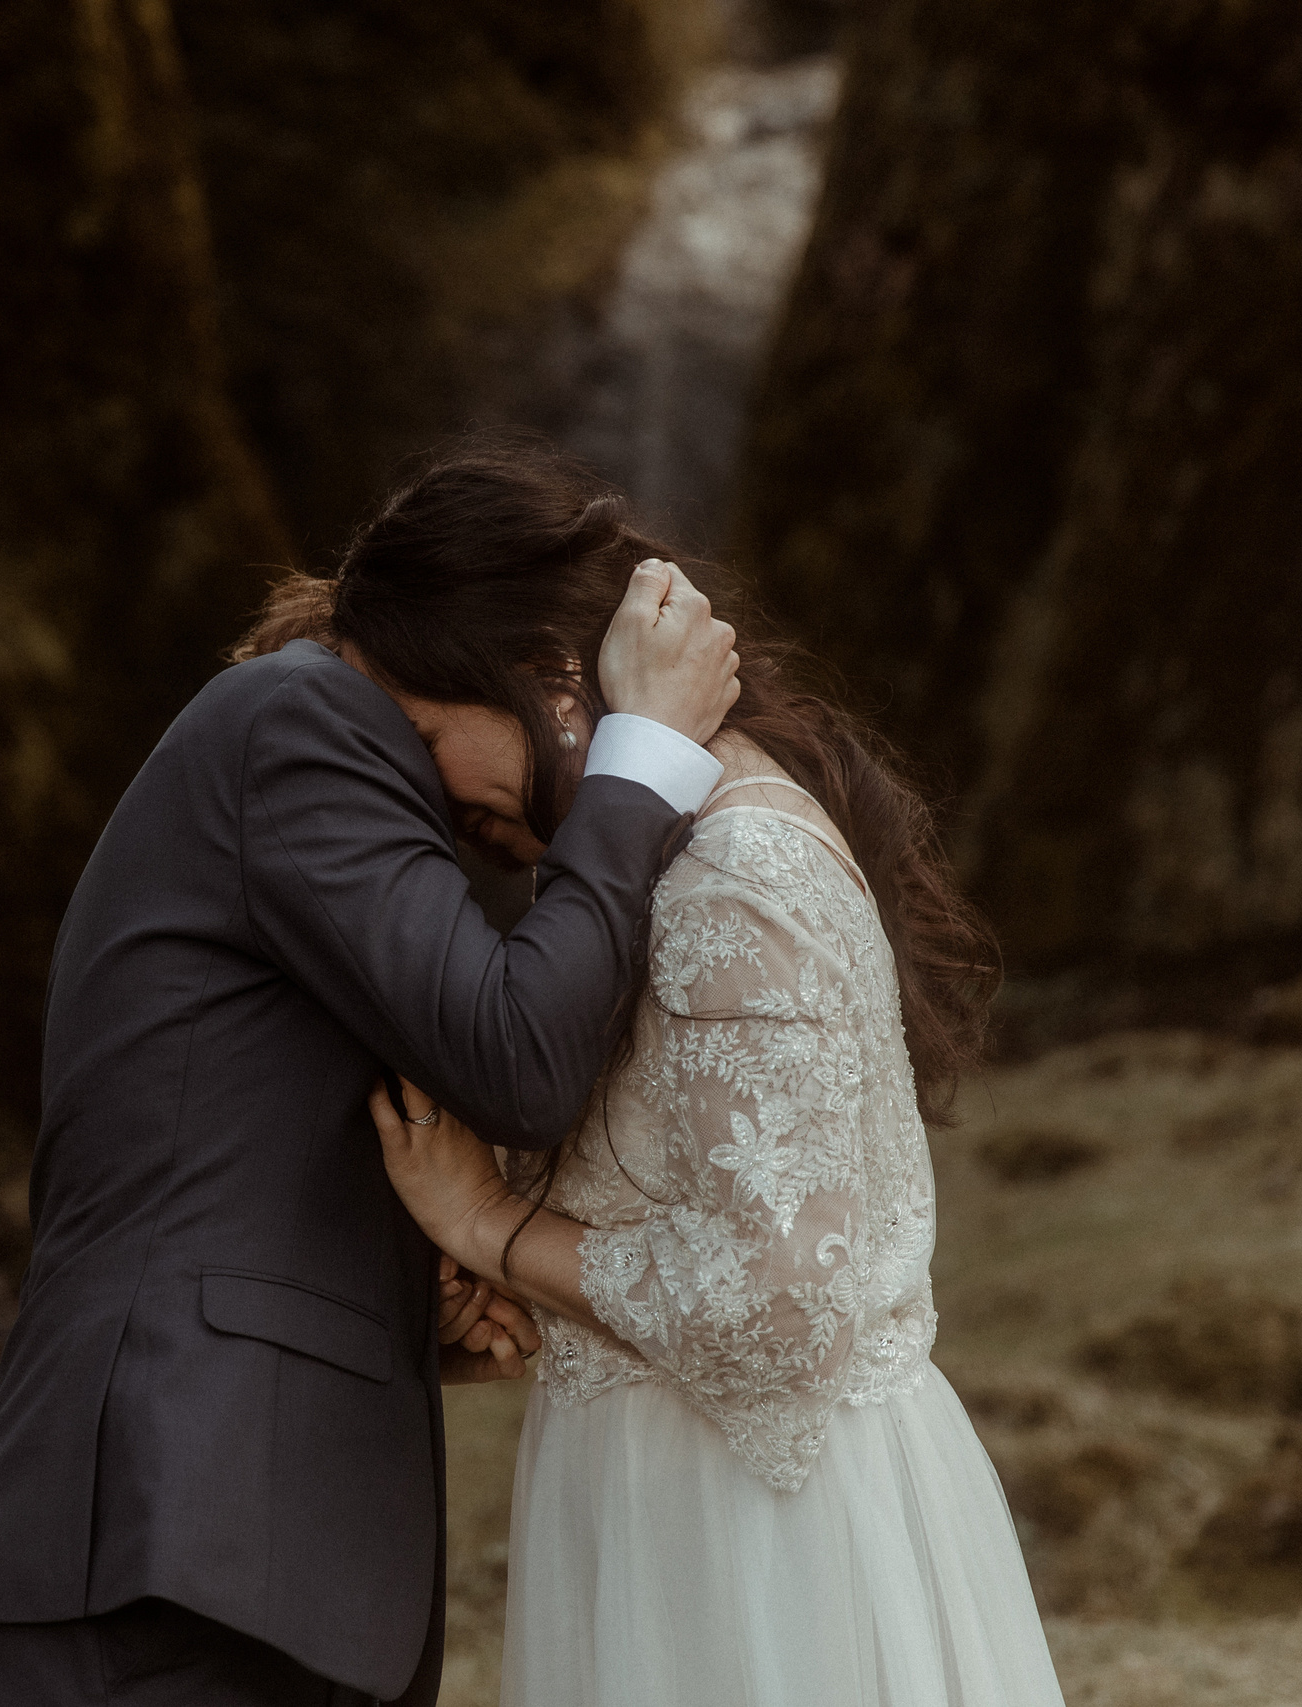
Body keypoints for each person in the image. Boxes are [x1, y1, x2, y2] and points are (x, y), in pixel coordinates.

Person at [0, 439, 743, 1706]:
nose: (537, 830)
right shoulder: (301, 721)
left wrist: (393, 1303)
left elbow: (235, 1134)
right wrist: (645, 759)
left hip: (222, 1566)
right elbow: (518, 1059)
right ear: (538, 669)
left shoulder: (307, 753)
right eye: (584, 731)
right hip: (162, 1562)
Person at [327, 439, 1068, 1705]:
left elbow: (782, 1310)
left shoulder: (734, 873)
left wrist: (492, 1224)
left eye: (422, 733)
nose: (421, 790)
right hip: (662, 1495)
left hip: (757, 1541)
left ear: (547, 675)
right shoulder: (661, 849)